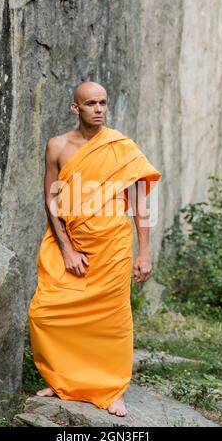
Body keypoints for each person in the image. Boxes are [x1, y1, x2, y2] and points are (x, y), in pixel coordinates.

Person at [28, 81, 162, 417]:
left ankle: (110, 389)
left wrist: (144, 251)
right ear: (76, 107)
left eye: (103, 102)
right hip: (69, 242)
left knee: (111, 320)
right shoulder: (57, 146)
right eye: (91, 103)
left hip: (112, 245)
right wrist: (68, 250)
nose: (99, 109)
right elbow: (52, 200)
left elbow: (139, 203)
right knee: (45, 312)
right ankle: (63, 381)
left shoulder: (121, 147)